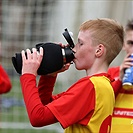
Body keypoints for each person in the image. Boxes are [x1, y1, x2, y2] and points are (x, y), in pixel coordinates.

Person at [20, 18, 124, 133]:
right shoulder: (103, 85)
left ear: (99, 50)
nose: (74, 49)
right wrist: (50, 75)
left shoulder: (90, 86)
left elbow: (38, 118)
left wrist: (28, 75)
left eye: (80, 43)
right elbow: (47, 105)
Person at [108, 19, 133, 133]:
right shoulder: (111, 73)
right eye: (131, 43)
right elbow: (99, 104)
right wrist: (120, 79)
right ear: (123, 44)